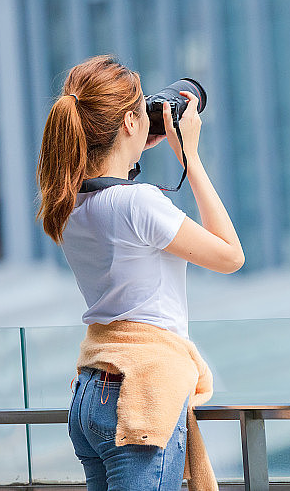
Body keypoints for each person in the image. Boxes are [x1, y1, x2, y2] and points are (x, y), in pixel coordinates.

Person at [36, 55, 243, 491]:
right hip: (139, 396)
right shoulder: (137, 203)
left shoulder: (69, 205)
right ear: (130, 123)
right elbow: (230, 256)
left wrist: (129, 148)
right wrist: (192, 157)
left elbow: (109, 192)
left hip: (91, 392)